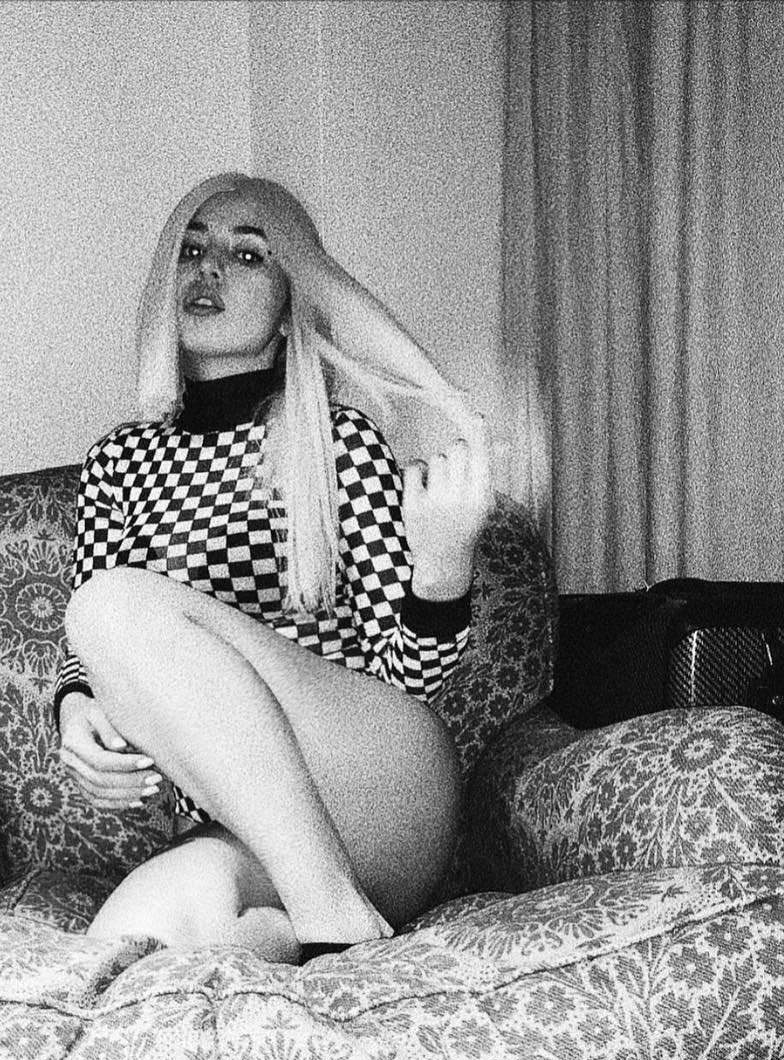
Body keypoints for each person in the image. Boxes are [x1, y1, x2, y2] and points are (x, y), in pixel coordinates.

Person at [55, 172, 493, 965]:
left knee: (105, 606)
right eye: (192, 249)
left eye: (247, 255)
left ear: (293, 301)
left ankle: (333, 912)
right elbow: (89, 663)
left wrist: (442, 568)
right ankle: (293, 935)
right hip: (247, 826)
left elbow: (412, 676)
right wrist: (77, 710)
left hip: (382, 793)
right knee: (128, 949)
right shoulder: (118, 461)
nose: (209, 268)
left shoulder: (340, 441)